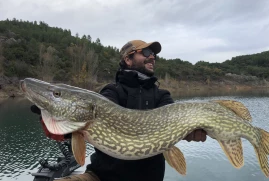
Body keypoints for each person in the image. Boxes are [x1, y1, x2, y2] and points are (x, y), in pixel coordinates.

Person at [35, 40, 207, 181]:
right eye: (146, 52)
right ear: (128, 59)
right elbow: (85, 120)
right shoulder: (111, 92)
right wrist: (59, 120)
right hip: (101, 177)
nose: (152, 57)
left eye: (154, 54)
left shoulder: (162, 96)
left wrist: (190, 132)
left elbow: (178, 125)